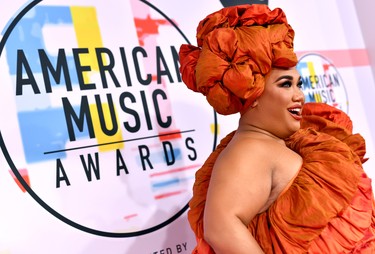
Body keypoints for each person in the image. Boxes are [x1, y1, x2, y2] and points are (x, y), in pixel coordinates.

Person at [179, 4, 375, 253]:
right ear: (254, 93)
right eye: (285, 85)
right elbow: (220, 228)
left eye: (298, 84)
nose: (299, 95)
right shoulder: (248, 151)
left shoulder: (274, 142)